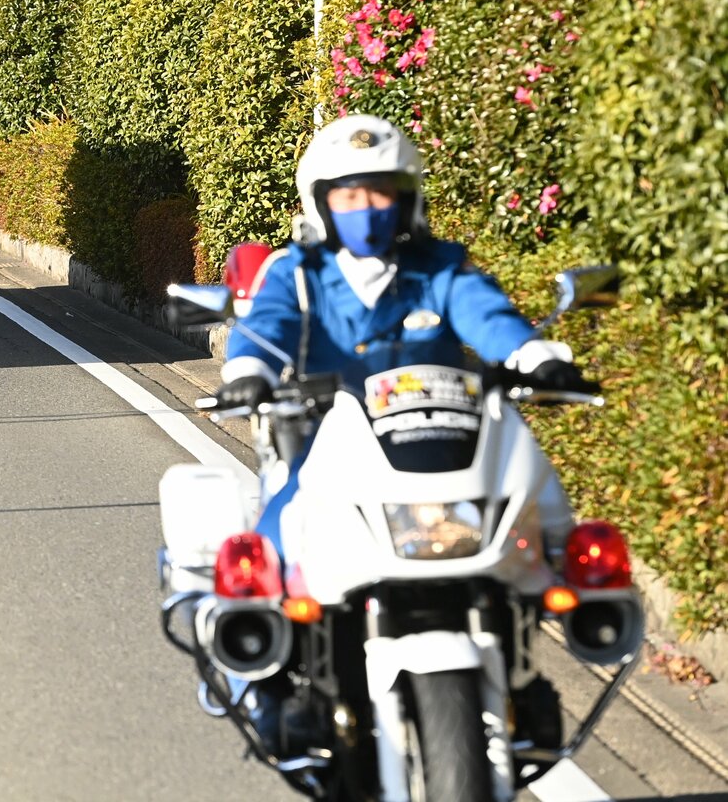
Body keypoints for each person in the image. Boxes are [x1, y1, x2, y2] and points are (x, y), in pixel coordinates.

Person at [215, 113, 587, 751]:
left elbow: (490, 316)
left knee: (538, 503)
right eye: (350, 194)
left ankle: (571, 616)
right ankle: (272, 682)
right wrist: (248, 371)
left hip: (442, 445)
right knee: (272, 546)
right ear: (322, 202)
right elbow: (267, 326)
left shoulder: (440, 267)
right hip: (329, 445)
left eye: (381, 192)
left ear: (407, 197)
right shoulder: (296, 271)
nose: (367, 209)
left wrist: (534, 356)